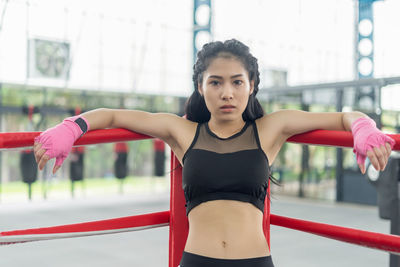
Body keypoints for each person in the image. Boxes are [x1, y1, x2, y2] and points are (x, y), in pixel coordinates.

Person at [33, 39, 396, 267]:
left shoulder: (270, 128)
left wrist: (364, 129)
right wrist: (71, 127)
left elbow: (347, 115)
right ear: (200, 86)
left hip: (255, 261)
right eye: (216, 82)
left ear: (251, 86)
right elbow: (111, 115)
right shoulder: (182, 131)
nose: (227, 93)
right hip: (197, 261)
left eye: (237, 82)